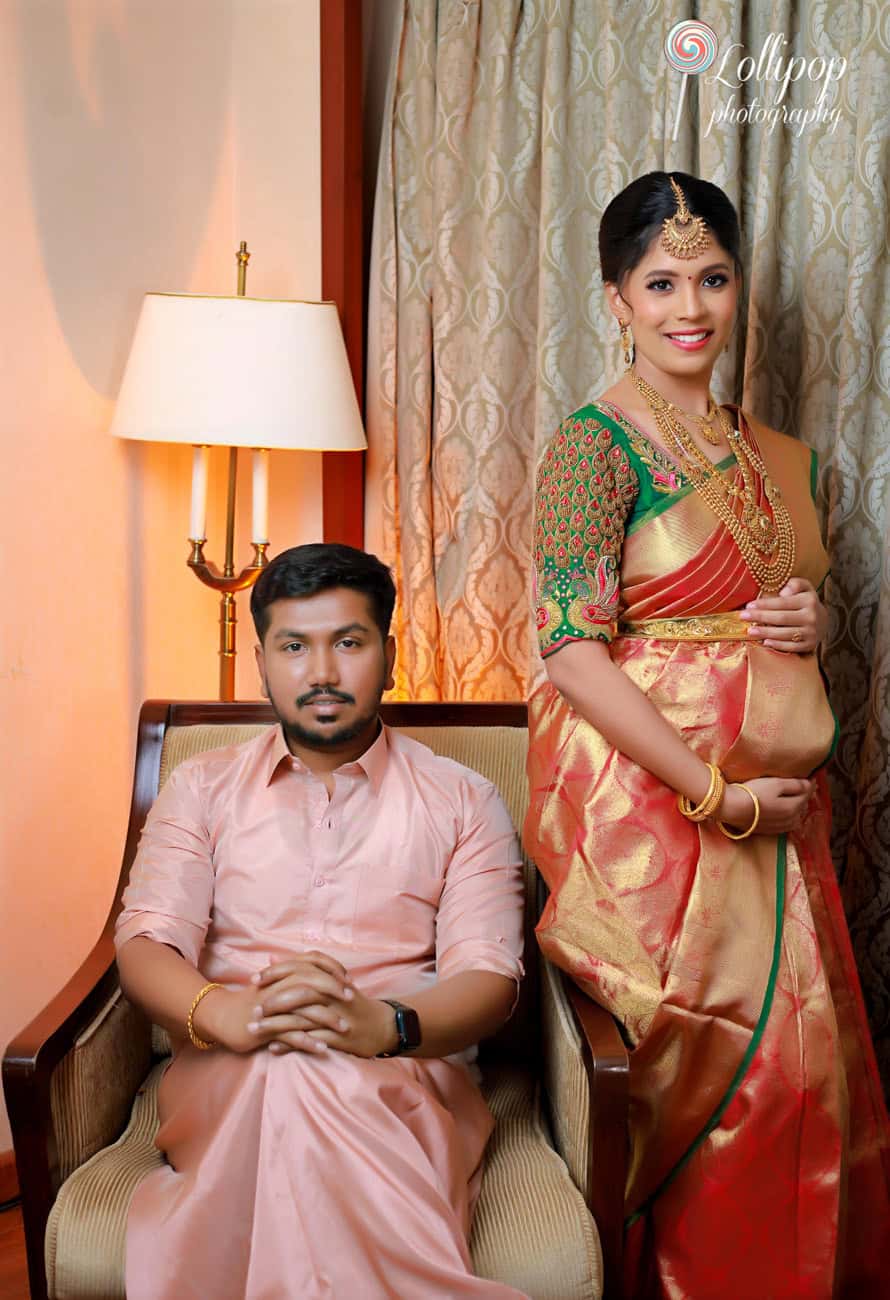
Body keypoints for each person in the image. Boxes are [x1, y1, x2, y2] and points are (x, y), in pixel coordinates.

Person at [524, 171, 890, 1299]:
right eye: (661, 280)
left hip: (779, 806)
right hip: (658, 806)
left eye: (712, 277)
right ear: (615, 297)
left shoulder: (775, 452)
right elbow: (570, 651)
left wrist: (805, 615)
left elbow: (767, 605)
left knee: (805, 1081)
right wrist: (711, 796)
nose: (690, 305)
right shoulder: (592, 448)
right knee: (728, 1078)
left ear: (738, 288)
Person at [115, 542, 528, 1300]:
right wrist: (226, 1012)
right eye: (295, 647)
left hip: (405, 1074)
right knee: (285, 1072)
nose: (324, 673)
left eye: (349, 642)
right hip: (228, 1070)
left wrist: (384, 1026)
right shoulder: (200, 789)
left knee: (313, 1082)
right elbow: (145, 944)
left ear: (389, 654)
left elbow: (490, 979)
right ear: (264, 664)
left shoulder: (466, 800)